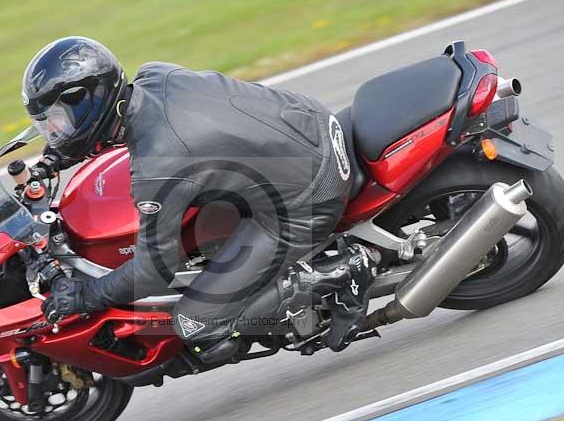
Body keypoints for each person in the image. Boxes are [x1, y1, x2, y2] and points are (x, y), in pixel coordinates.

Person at [25, 36, 374, 363]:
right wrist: (58, 156)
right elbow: (112, 131)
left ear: (91, 103)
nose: (54, 132)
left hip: (310, 194)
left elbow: (152, 271)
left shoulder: (158, 166)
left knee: (195, 322)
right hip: (309, 122)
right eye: (48, 126)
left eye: (58, 122)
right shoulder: (154, 76)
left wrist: (85, 295)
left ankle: (343, 271)